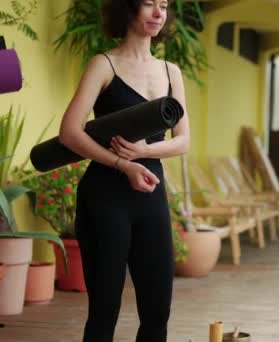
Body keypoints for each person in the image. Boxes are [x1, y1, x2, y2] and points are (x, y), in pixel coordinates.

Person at [58, 1, 190, 341]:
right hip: (106, 195)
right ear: (128, 9)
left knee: (158, 311)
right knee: (104, 310)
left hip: (151, 193)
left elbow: (183, 141)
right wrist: (123, 164)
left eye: (164, 5)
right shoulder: (104, 65)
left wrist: (145, 152)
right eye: (149, 3)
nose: (159, 12)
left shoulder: (171, 71)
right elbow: (70, 132)